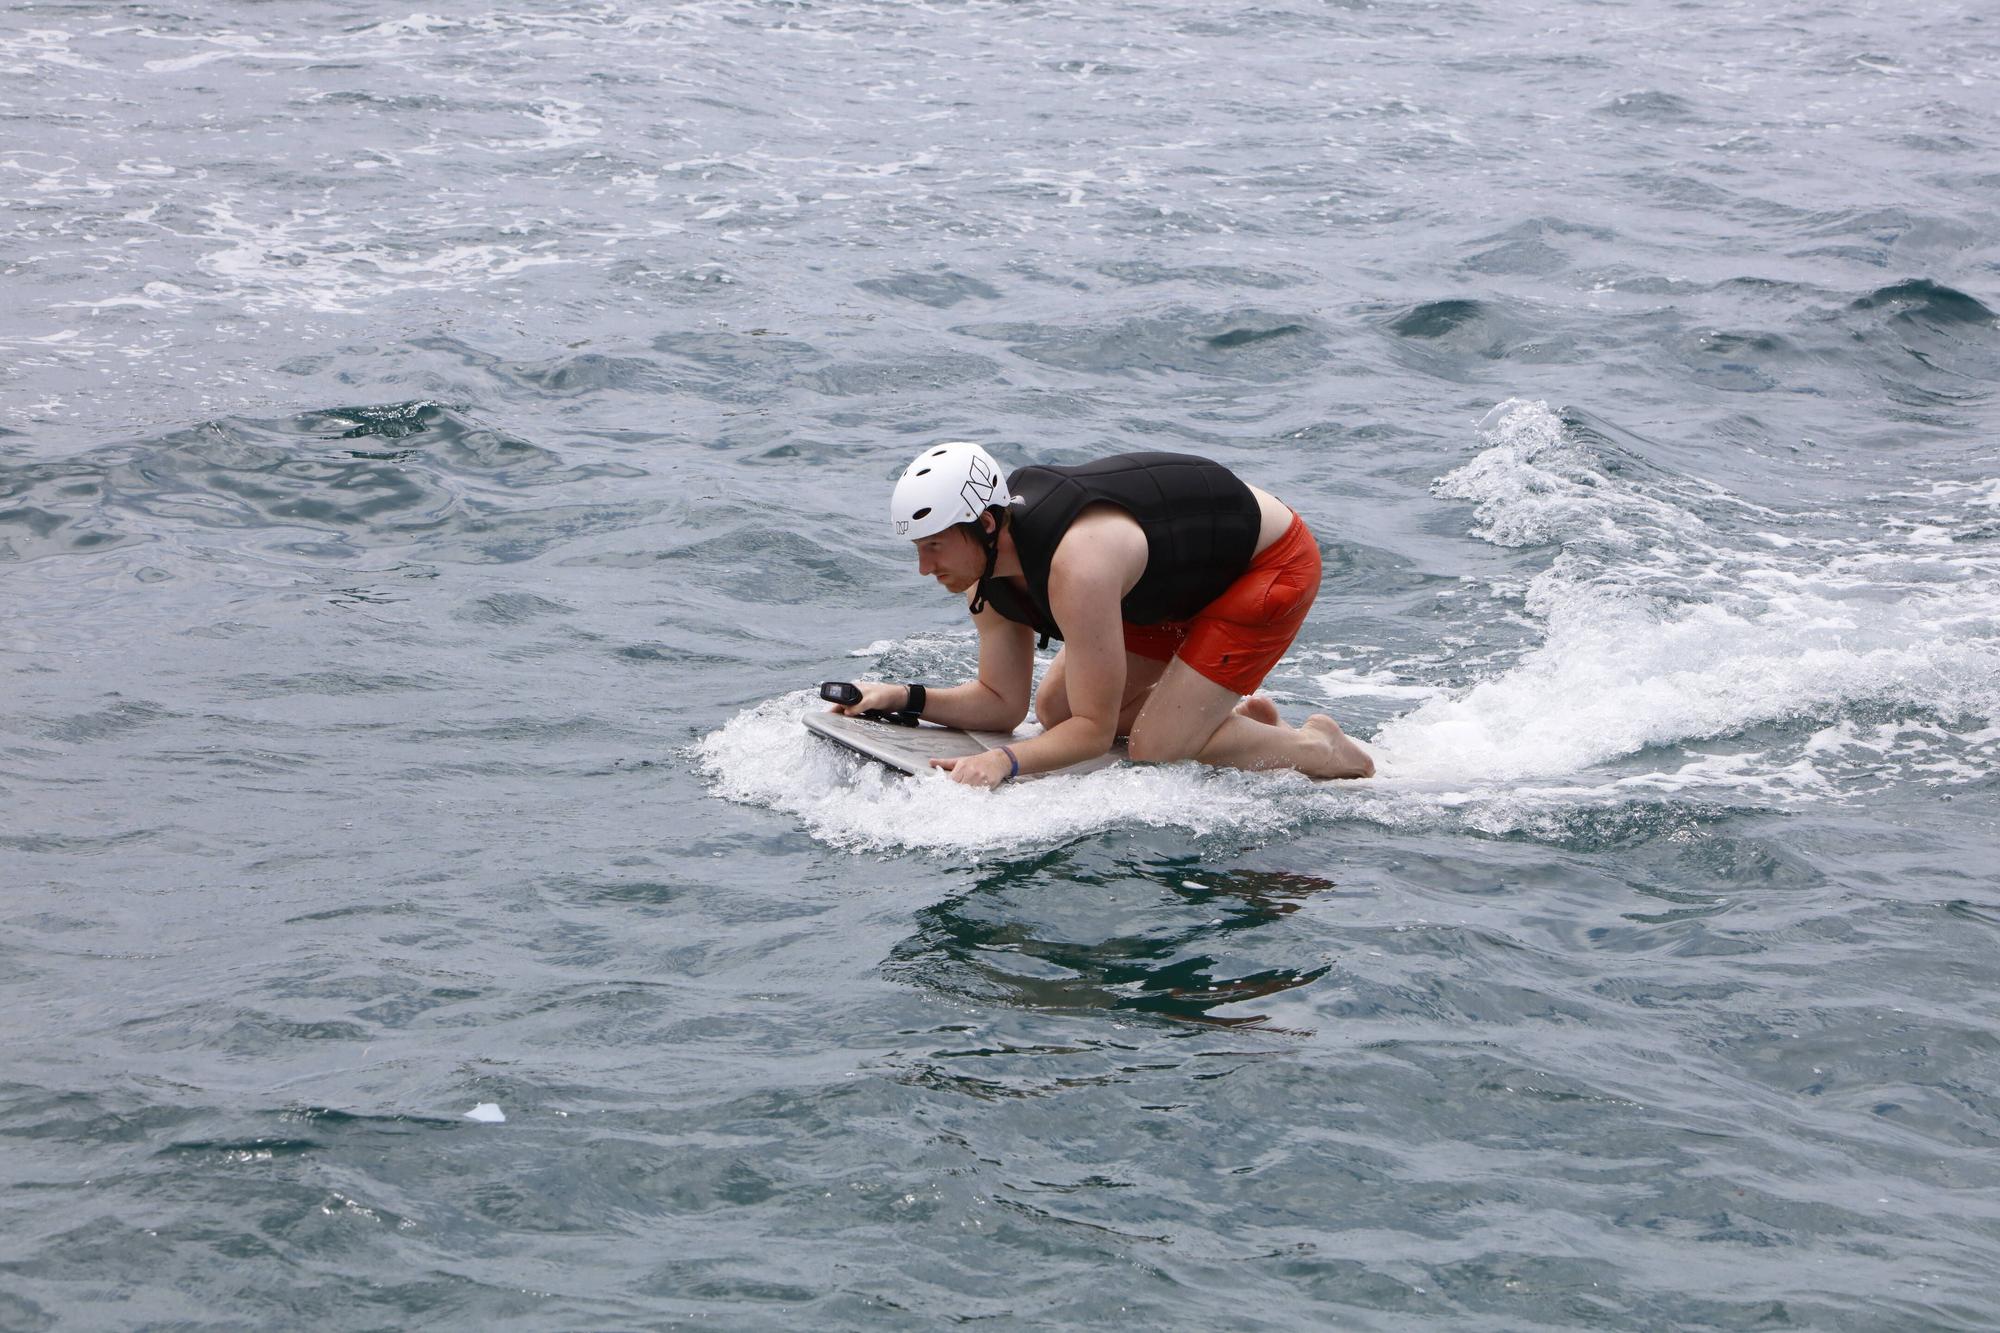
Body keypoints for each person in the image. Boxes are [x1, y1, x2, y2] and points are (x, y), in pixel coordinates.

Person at [834, 441, 1375, 788]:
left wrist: (1005, 762)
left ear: (988, 524)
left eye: (934, 547)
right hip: (1168, 581)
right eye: (917, 549)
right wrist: (899, 697)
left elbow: (1092, 734)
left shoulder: (1079, 569)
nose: (924, 568)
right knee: (1054, 708)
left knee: (1155, 748)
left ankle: (1319, 748)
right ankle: (1228, 727)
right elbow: (1002, 704)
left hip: (1263, 568)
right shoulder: (984, 569)